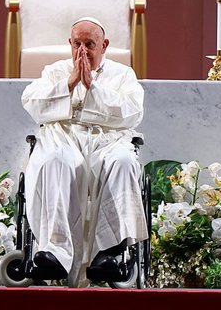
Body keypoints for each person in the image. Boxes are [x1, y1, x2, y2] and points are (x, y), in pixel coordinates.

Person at [21, 17, 148, 287]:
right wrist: (69, 83)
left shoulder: (123, 74)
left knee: (124, 161)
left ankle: (109, 253)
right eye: (77, 43)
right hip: (63, 137)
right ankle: (56, 251)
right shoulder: (55, 71)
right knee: (57, 160)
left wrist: (93, 87)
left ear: (104, 45)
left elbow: (133, 112)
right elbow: (31, 103)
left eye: (89, 44)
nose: (82, 50)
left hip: (108, 140)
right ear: (69, 43)